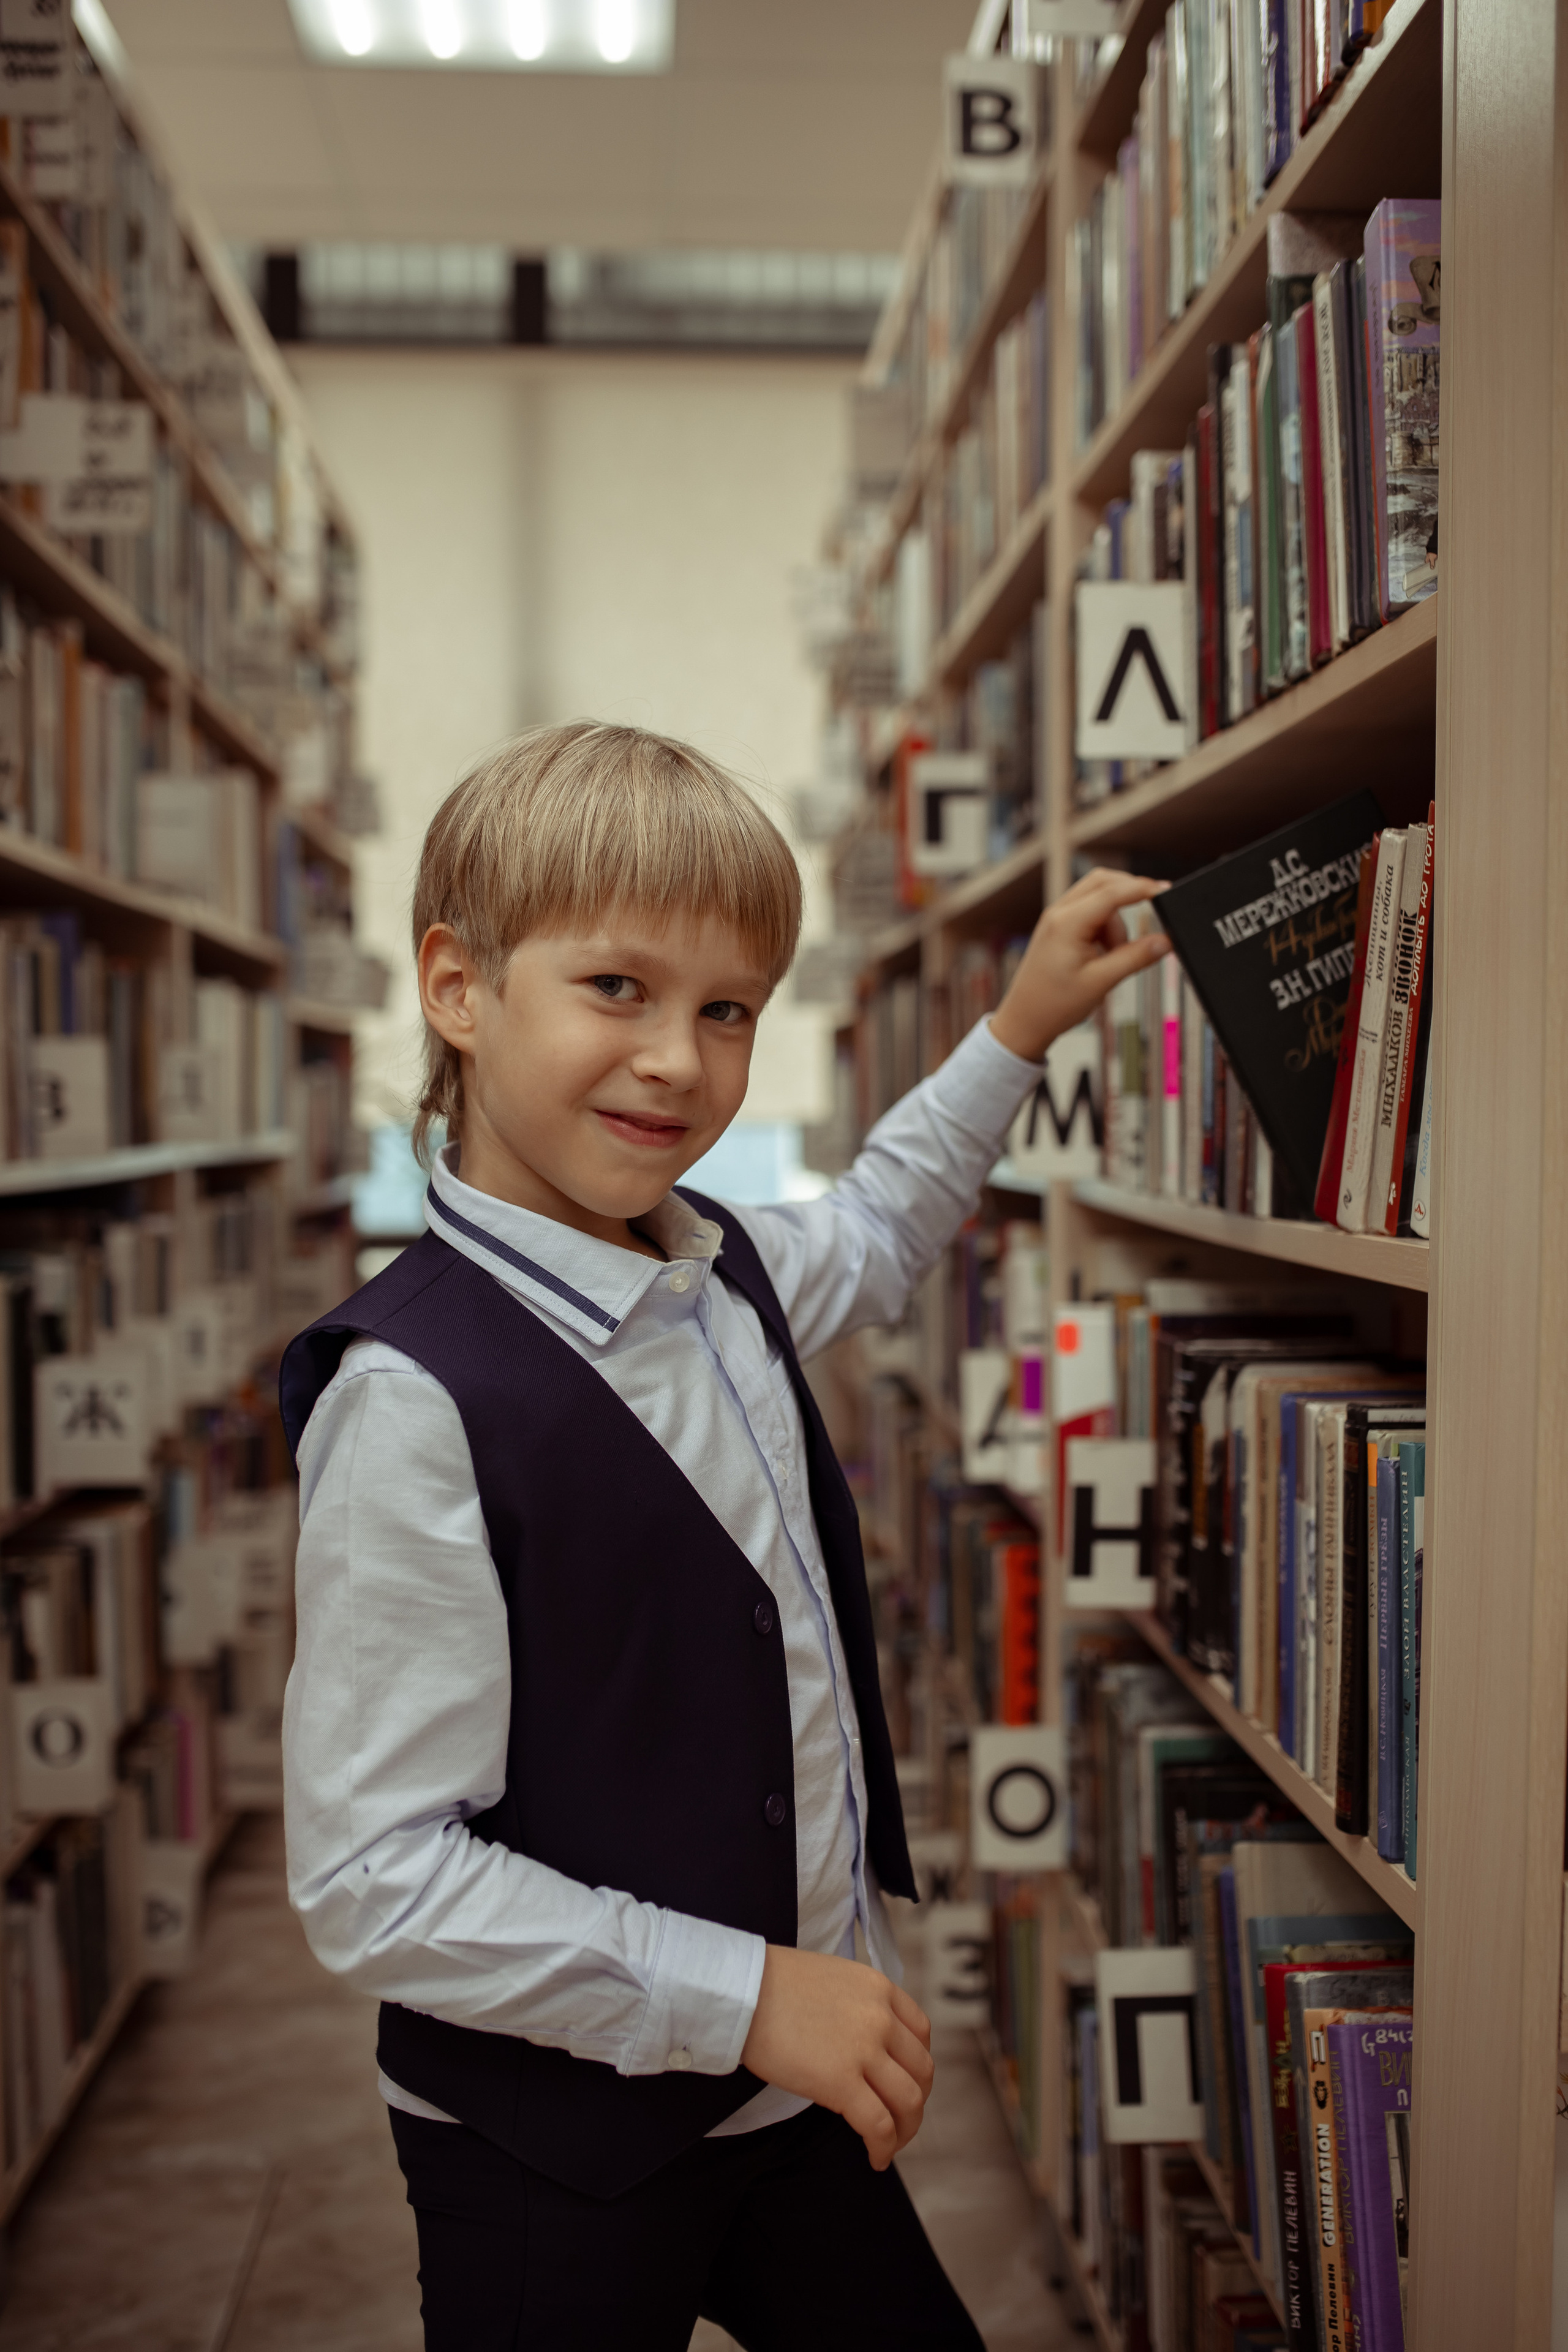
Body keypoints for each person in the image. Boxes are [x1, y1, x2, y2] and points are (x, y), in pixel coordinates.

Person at [280, 722, 1170, 2351]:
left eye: (727, 1010)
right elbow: (370, 1878)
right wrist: (751, 1997)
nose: (680, 1063)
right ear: (459, 988)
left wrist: (1023, 1023)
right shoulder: (410, 1400)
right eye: (616, 989)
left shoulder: (723, 1270)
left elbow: (886, 1221)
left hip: (785, 2112)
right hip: (556, 2155)